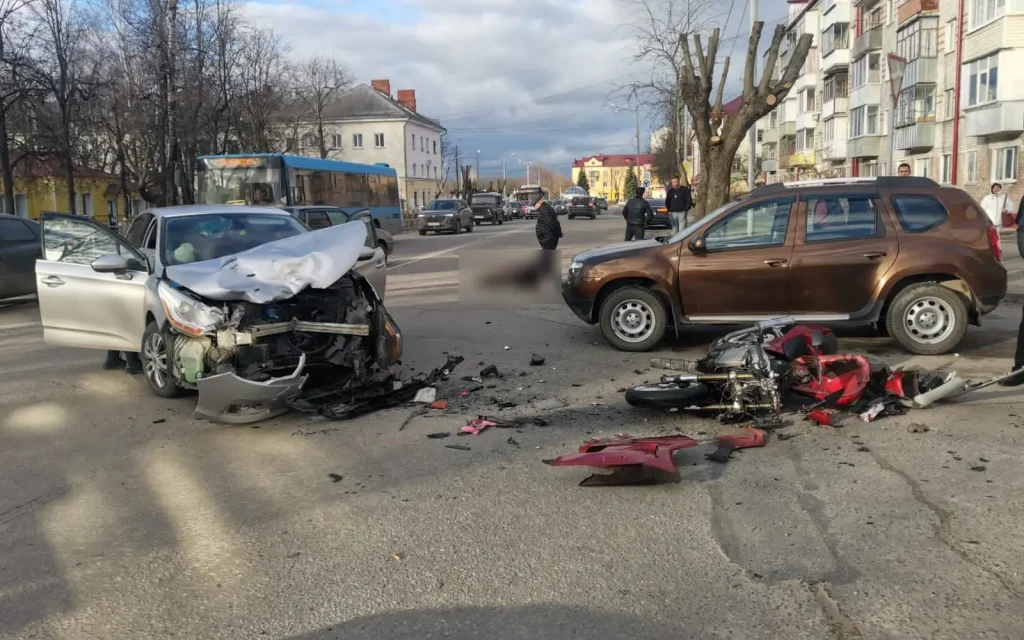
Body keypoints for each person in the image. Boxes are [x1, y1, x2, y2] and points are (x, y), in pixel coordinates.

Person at [981, 183, 1014, 253]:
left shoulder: (1004, 198)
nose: (996, 189)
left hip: (999, 222)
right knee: (989, 238)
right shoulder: (987, 198)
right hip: (989, 222)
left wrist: (1007, 210)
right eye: (994, 188)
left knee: (997, 237)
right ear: (992, 189)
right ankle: (990, 251)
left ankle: (998, 251)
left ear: (1000, 188)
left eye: (997, 188)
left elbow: (1011, 207)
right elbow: (981, 209)